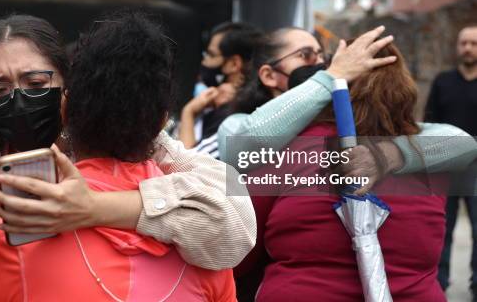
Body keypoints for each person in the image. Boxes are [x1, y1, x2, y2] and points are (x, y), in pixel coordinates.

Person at [0, 14, 256, 302]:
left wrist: (96, 207)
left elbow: (238, 218)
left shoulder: (137, 146)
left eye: (35, 82)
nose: (20, 100)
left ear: (67, 91)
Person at [217, 26, 477, 301]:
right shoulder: (257, 135)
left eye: (322, 56)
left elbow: (463, 142)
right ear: (268, 75)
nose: (319, 64)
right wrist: (332, 77)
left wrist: (389, 155)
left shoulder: (422, 148)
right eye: (306, 56)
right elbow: (245, 141)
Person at [425, 25, 477, 296]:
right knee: (441, 229)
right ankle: (438, 284)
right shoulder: (443, 81)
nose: (467, 48)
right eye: (463, 42)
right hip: (447, 165)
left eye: (473, 43)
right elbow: (430, 121)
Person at [180, 22, 261, 157]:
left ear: (234, 64)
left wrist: (188, 112)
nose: (204, 62)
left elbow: (184, 165)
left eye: (211, 55)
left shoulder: (232, 115)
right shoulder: (214, 101)